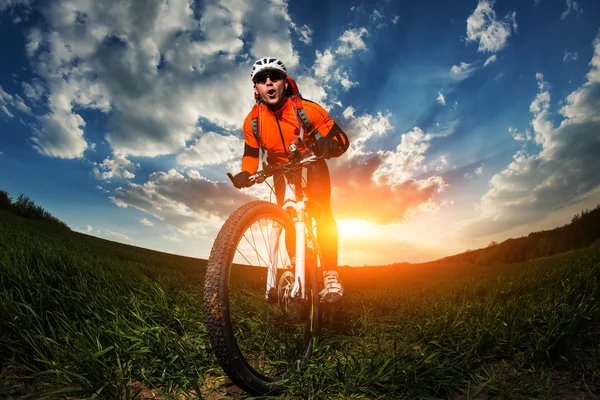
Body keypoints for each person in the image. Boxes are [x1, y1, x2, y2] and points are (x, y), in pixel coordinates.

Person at [231, 57, 349, 303]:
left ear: (284, 82)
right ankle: (297, 264)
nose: (269, 83)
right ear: (256, 89)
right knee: (287, 215)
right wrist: (246, 172)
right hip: (281, 170)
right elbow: (251, 154)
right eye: (262, 80)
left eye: (274, 77)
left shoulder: (307, 110)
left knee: (323, 215)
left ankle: (330, 274)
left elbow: (341, 138)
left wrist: (330, 144)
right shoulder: (253, 122)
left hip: (310, 163)